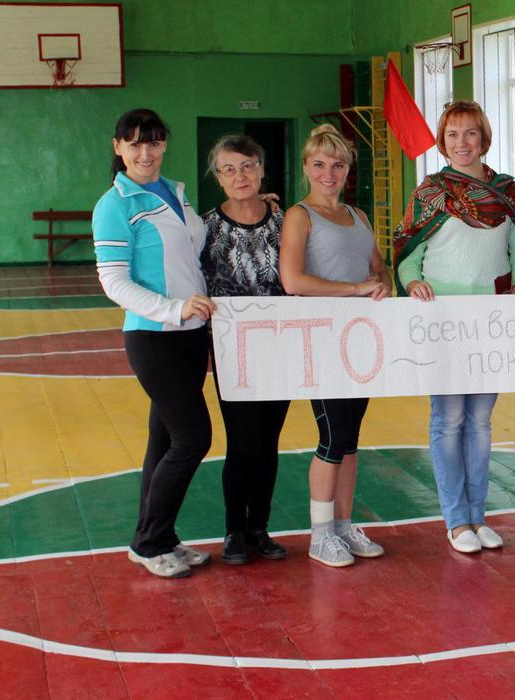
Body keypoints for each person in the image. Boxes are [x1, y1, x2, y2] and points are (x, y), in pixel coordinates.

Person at [393, 100, 515, 555]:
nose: (462, 142)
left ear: (484, 138)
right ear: (442, 141)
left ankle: (477, 516)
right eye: (453, 134)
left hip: (490, 321)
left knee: (481, 422)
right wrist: (412, 283)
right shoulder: (430, 193)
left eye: (471, 133)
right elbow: (408, 256)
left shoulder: (507, 192)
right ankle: (455, 521)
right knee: (448, 419)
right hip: (443, 322)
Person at [92, 108, 214, 578]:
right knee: (193, 438)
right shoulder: (114, 204)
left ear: (164, 145)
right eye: (135, 143)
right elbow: (114, 282)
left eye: (154, 142)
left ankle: (159, 537)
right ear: (118, 147)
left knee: (163, 440)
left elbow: (191, 254)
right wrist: (174, 309)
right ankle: (148, 543)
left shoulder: (175, 193)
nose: (146, 152)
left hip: (191, 337)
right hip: (154, 336)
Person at [279, 124, 392, 568]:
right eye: (320, 164)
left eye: (338, 165)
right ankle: (320, 534)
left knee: (350, 439)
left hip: (359, 340)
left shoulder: (358, 215)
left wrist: (381, 284)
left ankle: (343, 527)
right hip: (322, 339)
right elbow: (293, 281)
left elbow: (378, 267)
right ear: (306, 167)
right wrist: (355, 288)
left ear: (348, 169)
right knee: (332, 437)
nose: (329, 174)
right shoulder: (299, 215)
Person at [201, 135, 290, 565]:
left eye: (248, 166)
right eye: (229, 169)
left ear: (262, 170)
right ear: (218, 177)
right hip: (232, 350)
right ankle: (234, 530)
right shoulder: (205, 228)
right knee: (242, 441)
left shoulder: (285, 221)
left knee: (269, 441)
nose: (240, 176)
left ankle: (260, 528)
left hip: (281, 346)